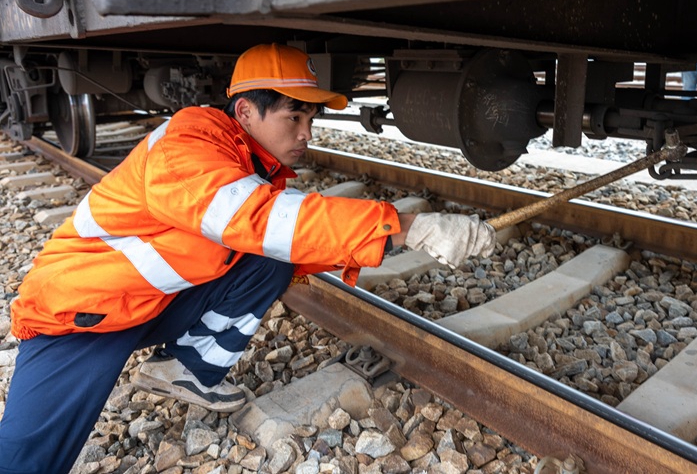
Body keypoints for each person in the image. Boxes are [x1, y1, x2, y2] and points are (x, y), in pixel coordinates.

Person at [0, 43, 496, 474]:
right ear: (244, 113)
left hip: (148, 302)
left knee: (273, 260)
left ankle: (185, 369)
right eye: (293, 117)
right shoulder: (188, 145)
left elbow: (287, 243)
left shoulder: (248, 161)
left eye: (310, 120)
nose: (306, 134)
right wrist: (409, 226)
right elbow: (260, 218)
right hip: (83, 313)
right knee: (25, 462)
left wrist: (385, 239)